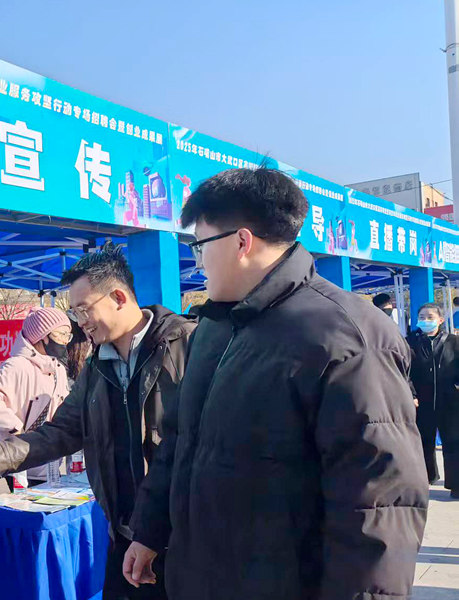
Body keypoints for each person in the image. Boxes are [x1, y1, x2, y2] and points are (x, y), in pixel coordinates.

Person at [124, 167, 428, 598]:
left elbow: (379, 505)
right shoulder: (213, 328)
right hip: (203, 576)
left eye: (199, 246)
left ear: (241, 242)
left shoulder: (345, 337)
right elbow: (180, 440)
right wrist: (150, 530)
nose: (197, 263)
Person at [0, 243, 195, 599]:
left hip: (182, 541)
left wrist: (154, 534)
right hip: (124, 534)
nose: (79, 323)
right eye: (73, 312)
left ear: (118, 297)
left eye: (83, 309)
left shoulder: (187, 345)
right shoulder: (97, 366)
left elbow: (195, 449)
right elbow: (64, 430)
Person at [0, 308, 72, 491]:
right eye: (61, 334)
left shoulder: (57, 368)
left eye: (68, 335)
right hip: (20, 460)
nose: (65, 340)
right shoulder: (17, 366)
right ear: (42, 336)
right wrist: (13, 425)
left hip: (49, 459)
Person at [407, 303, 459, 494]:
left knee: (453, 443)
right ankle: (425, 479)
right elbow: (404, 371)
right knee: (423, 442)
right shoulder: (410, 342)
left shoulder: (454, 342)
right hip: (422, 402)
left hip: (450, 402)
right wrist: (411, 394)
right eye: (422, 317)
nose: (425, 320)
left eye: (430, 317)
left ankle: (456, 484)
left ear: (440, 320)